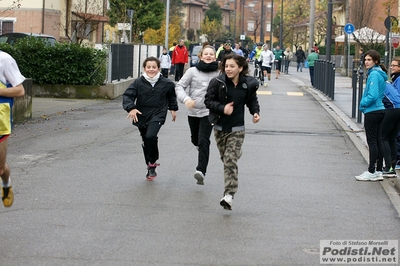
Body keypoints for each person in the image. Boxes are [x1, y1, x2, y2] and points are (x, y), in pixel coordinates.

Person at [204, 53, 260, 210]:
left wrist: (255, 112)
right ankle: (234, 155)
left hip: (237, 129)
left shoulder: (247, 85)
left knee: (229, 160)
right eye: (226, 66)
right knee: (226, 158)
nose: (228, 69)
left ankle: (229, 195)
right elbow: (208, 101)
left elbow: (251, 100)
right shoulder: (217, 82)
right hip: (219, 128)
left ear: (240, 68)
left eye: (232, 66)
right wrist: (223, 108)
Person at [123, 57, 178, 180]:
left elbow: (171, 97)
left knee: (150, 136)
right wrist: (131, 108)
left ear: (158, 68)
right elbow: (128, 96)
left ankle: (152, 164)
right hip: (141, 114)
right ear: (144, 68)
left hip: (158, 113)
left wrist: (173, 109)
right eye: (149, 67)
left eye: (154, 67)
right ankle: (150, 165)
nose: (151, 69)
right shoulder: (138, 82)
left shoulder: (167, 83)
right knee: (146, 140)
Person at [175, 45, 219, 185]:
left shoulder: (219, 73)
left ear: (215, 57)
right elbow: (179, 86)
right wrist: (186, 99)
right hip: (193, 111)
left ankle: (201, 171)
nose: (208, 56)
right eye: (206, 54)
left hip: (209, 112)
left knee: (203, 140)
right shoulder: (192, 71)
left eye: (211, 54)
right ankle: (200, 146)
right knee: (195, 140)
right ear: (200, 56)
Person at [355, 50, 387, 182]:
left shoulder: (374, 74)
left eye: (369, 60)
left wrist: (362, 103)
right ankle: (379, 170)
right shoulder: (380, 74)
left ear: (376, 61)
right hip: (380, 110)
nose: (366, 62)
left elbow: (372, 95)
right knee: (378, 141)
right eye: (365, 60)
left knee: (372, 141)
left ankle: (371, 171)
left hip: (373, 110)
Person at [0, 51, 25, 207]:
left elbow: (20, 91)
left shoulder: (4, 59)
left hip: (0, 121)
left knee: (0, 168)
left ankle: (6, 183)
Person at [380, 57, 400, 177]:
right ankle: (393, 164)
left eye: (394, 65)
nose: (392, 67)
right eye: (391, 65)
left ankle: (391, 165)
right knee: (393, 137)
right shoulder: (394, 79)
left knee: (386, 137)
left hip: (394, 109)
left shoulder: (398, 80)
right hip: (396, 109)